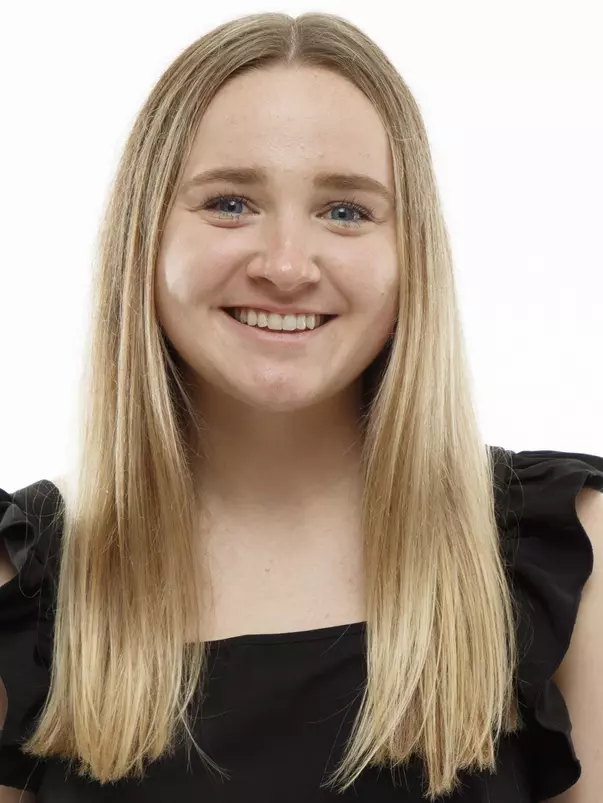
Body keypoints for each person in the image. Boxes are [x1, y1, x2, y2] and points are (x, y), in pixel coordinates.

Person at [1, 11, 602, 803]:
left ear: (409, 253)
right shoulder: (25, 587)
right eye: (228, 203)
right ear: (142, 238)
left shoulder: (561, 556)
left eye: (346, 211)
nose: (286, 265)